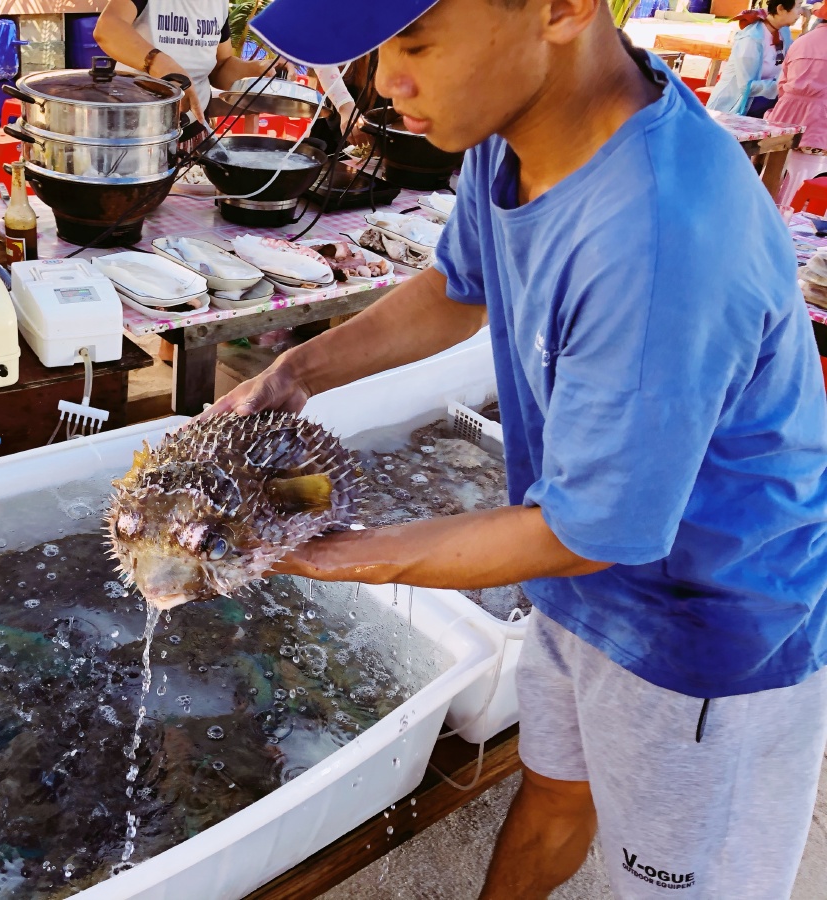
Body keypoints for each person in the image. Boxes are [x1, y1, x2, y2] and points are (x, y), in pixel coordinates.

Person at [207, 0, 827, 897]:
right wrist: (296, 372)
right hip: (582, 579)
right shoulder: (515, 131)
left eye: (416, 42)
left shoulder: (661, 237)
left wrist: (334, 556)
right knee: (556, 789)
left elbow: (590, 531)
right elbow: (459, 287)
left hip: (708, 630)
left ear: (561, 10)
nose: (385, 83)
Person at [93, 0, 286, 124]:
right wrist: (163, 66)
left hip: (192, 129)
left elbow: (221, 66)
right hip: (134, 129)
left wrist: (259, 70)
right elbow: (107, 28)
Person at [770, 5, 827, 203]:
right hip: (819, 125)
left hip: (783, 119)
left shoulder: (802, 41)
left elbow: (782, 84)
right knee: (805, 191)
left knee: (774, 179)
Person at [707, 0, 800, 116]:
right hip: (732, 108)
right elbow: (746, 87)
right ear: (780, 8)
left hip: (763, 104)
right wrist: (782, 87)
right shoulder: (752, 38)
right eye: (798, 6)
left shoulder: (783, 31)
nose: (801, 12)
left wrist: (805, 26)